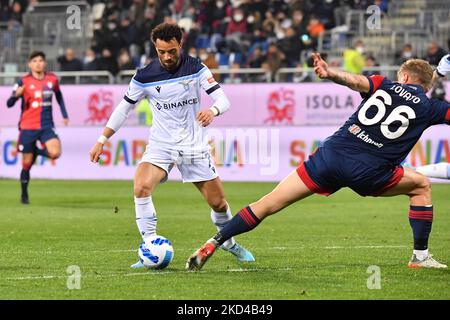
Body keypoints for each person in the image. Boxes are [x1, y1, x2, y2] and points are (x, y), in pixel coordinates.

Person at [186, 54, 450, 271]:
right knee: (421, 186)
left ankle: (215, 241)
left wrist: (329, 72)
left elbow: (354, 81)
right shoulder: (431, 108)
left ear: (403, 77)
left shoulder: (383, 84)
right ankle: (420, 257)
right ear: (425, 87)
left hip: (330, 157)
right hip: (369, 173)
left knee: (268, 203)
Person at [89, 23, 255, 269]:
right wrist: (102, 139)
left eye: (172, 51)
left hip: (193, 145)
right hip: (161, 144)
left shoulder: (196, 68)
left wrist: (213, 110)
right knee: (141, 187)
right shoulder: (144, 76)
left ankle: (229, 243)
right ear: (155, 49)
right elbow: (123, 109)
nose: (167, 57)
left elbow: (223, 99)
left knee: (219, 204)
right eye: (161, 52)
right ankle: (149, 248)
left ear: (180, 45)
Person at [6, 51, 69, 204]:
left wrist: (65, 115)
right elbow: (9, 103)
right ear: (30, 64)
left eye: (41, 60)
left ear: (45, 63)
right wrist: (16, 95)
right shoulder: (23, 81)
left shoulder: (52, 79)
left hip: (47, 126)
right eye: (34, 61)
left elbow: (59, 97)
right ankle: (24, 194)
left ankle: (34, 150)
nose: (38, 63)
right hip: (27, 127)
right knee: (26, 164)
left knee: (55, 153)